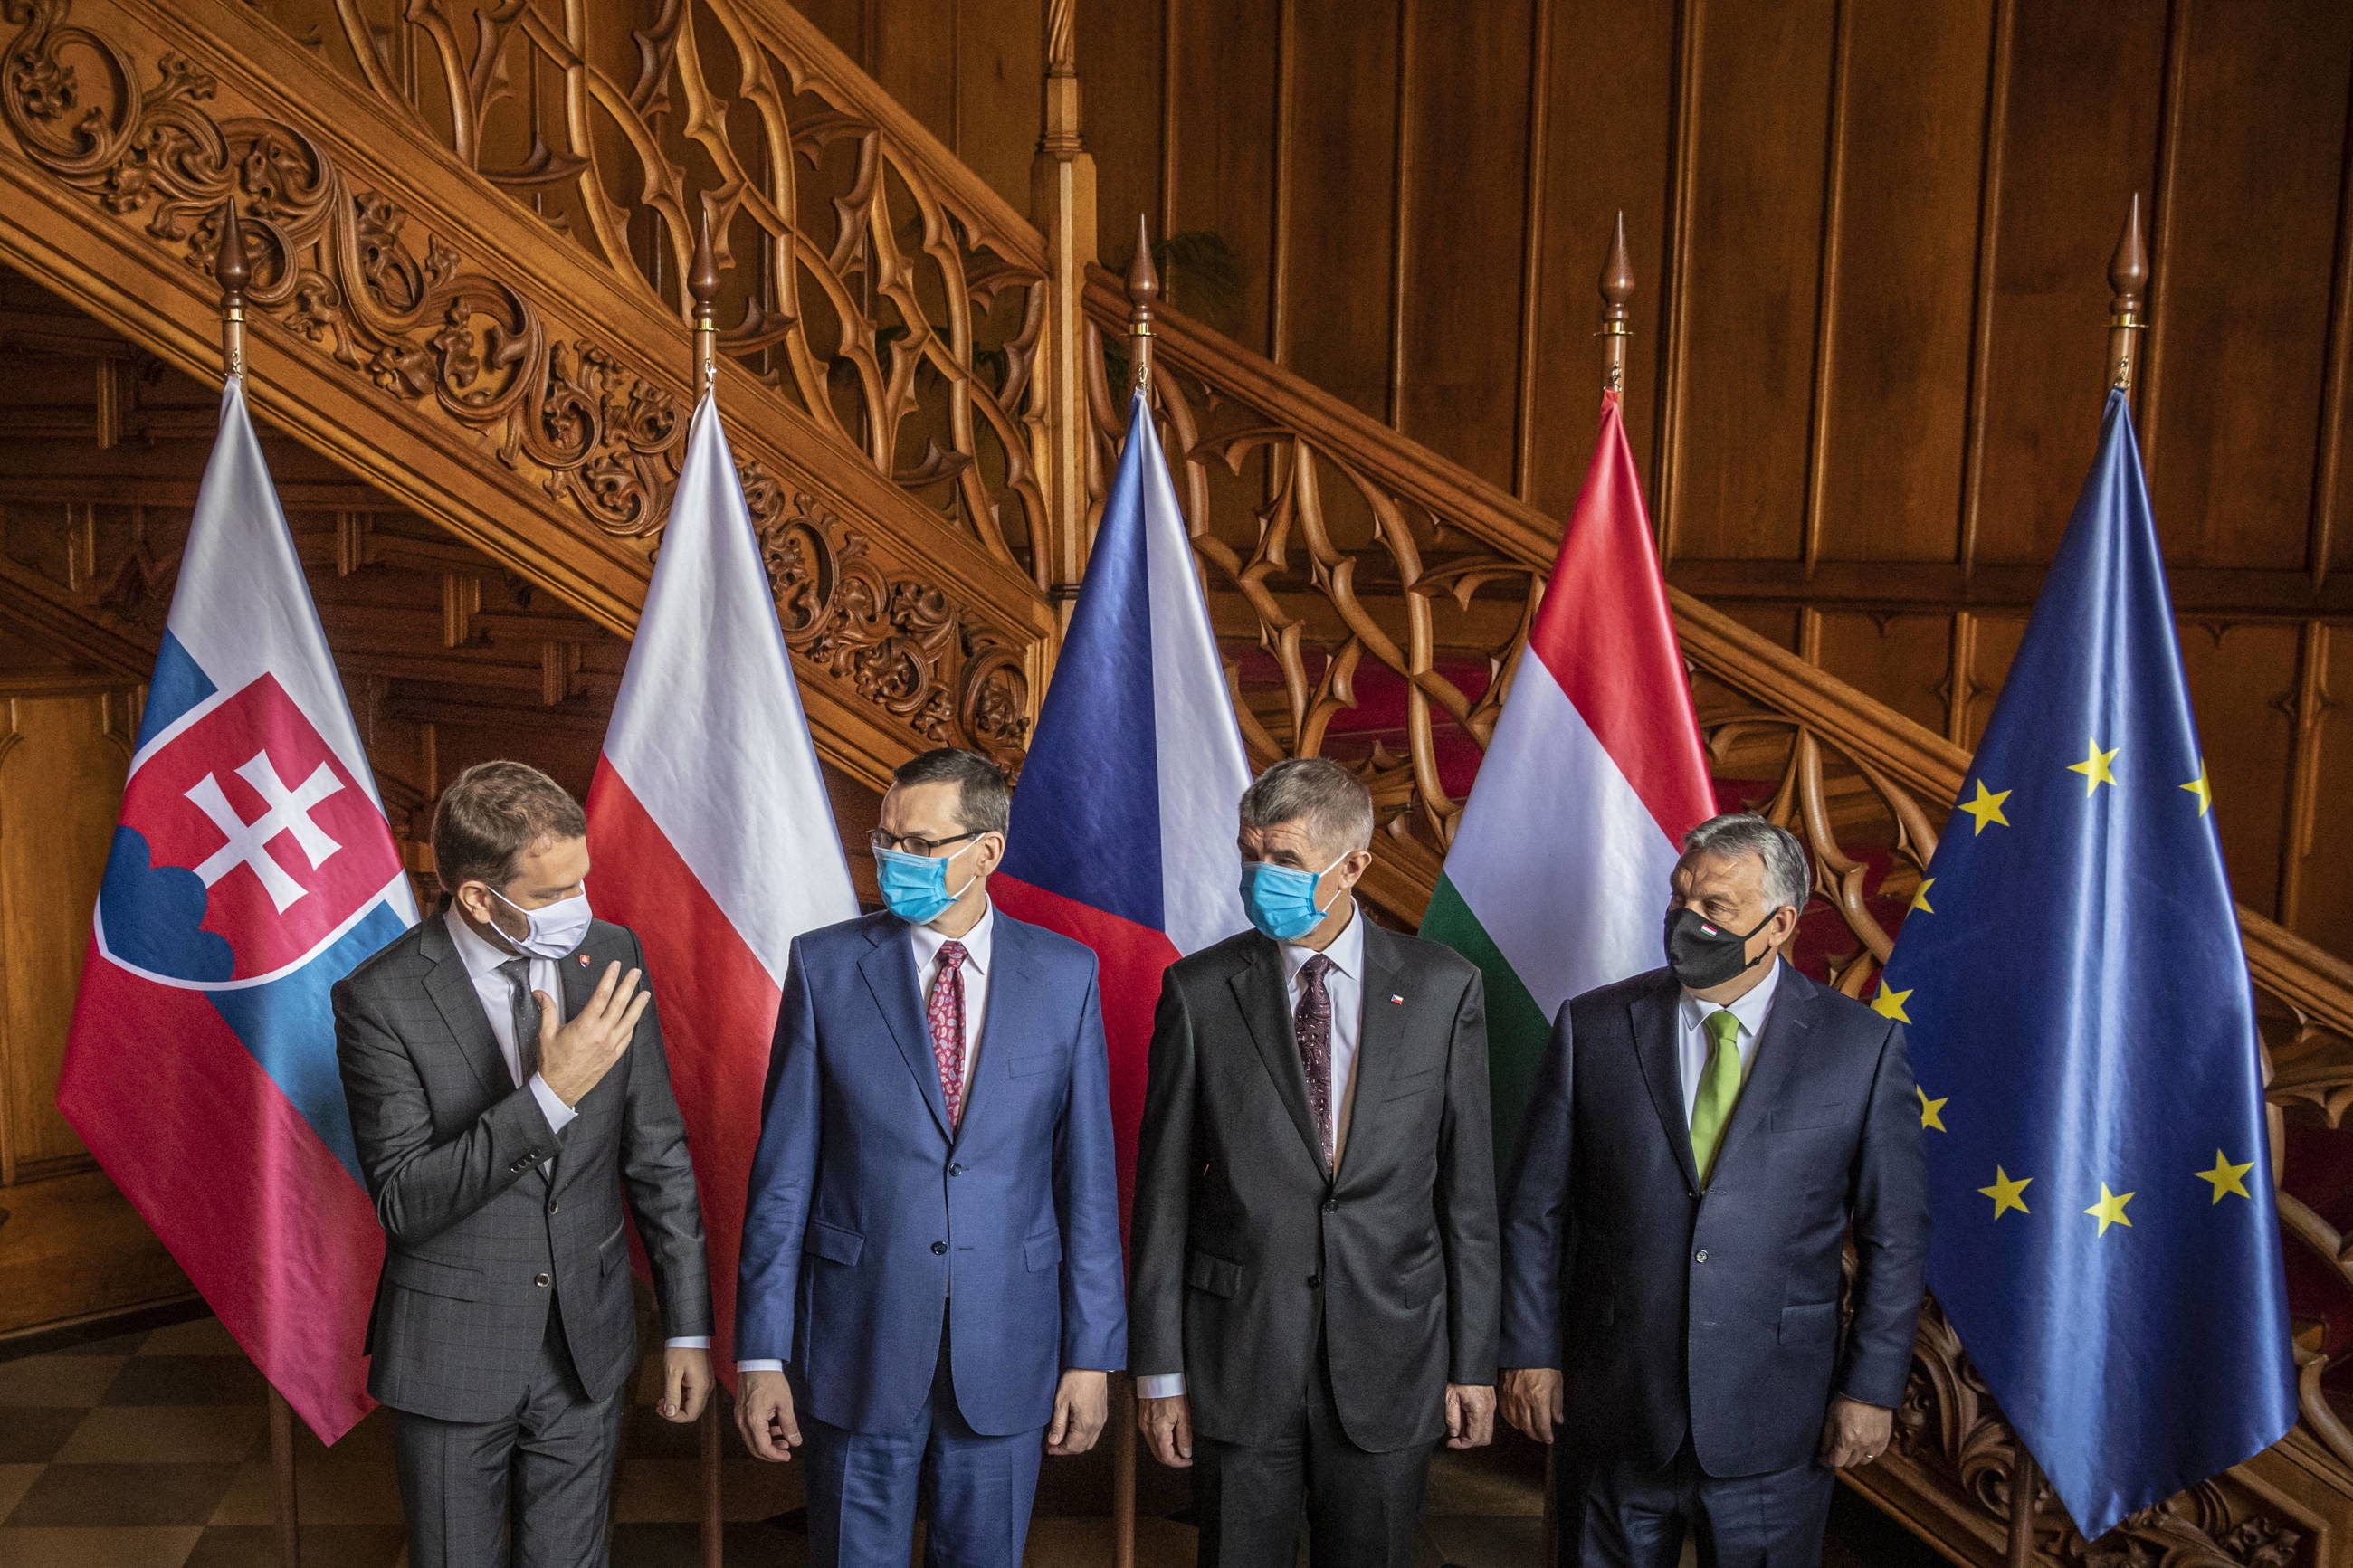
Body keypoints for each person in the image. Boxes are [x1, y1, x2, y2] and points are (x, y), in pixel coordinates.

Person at [1499, 813, 1929, 1568]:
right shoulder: (1592, 1026)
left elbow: (1895, 1234)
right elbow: (1536, 1210)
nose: (1685, 920)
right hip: (1615, 1408)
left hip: (1776, 1424)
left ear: (1779, 924)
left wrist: (1872, 1387)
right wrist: (1530, 1350)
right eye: (1680, 899)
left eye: (1715, 909)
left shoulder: (1861, 1047)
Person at [734, 746, 1125, 1568]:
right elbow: (783, 1182)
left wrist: (1092, 1353)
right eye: (885, 840)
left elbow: (1085, 1184)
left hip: (1010, 1347)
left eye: (918, 843)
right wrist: (762, 1351)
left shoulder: (1066, 975)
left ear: (986, 852)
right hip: (856, 1340)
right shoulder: (825, 964)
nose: (893, 860)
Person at [333, 759, 711, 1568]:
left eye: (582, 882)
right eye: (550, 895)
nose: (579, 908)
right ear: (477, 896)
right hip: (451, 1353)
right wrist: (550, 1096)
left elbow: (659, 1157)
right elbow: (405, 1197)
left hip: (591, 1342)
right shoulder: (381, 997)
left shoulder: (611, 952)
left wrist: (687, 1327)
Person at [1129, 756, 1500, 1568]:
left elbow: (1468, 1197)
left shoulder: (1444, 988)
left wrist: (1475, 1361)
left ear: (1354, 865)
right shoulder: (1198, 991)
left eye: (1286, 860)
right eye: (1249, 854)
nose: (1261, 877)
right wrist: (1159, 1372)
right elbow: (1161, 1199)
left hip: (1392, 1358)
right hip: (1240, 1357)